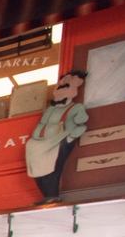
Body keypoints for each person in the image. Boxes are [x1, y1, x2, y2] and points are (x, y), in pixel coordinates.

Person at [26, 68, 87, 202]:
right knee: (35, 167)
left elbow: (82, 122)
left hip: (59, 139)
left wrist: (70, 137)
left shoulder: (75, 107)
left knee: (52, 166)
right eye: (60, 85)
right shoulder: (50, 109)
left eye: (66, 85)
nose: (61, 87)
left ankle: (51, 195)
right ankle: (46, 194)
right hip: (38, 143)